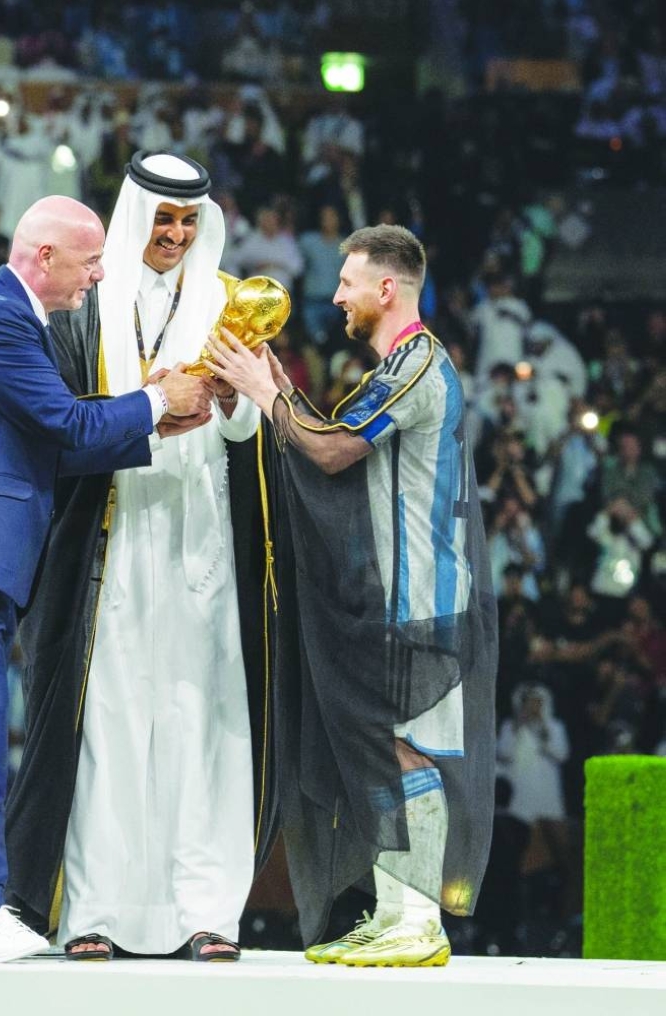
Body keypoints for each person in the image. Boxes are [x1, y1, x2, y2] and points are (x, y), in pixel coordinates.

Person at [0, 194, 211, 964]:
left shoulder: (13, 322)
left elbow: (53, 448)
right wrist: (158, 397)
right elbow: (65, 426)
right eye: (90, 261)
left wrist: (153, 419)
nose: (99, 274)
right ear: (45, 258)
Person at [5, 152, 278, 962]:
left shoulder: (228, 302)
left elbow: (251, 427)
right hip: (114, 541)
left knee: (203, 726)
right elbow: (57, 420)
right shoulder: (90, 304)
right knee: (111, 726)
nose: (177, 235)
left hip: (199, 541)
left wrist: (227, 403)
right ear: (135, 217)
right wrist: (151, 403)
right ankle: (99, 911)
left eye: (189, 222)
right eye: (163, 219)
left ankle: (206, 913)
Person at [208, 224, 497, 967]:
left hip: (421, 597)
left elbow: (333, 450)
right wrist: (275, 391)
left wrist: (267, 393)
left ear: (387, 288)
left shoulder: (419, 365)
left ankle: (419, 919)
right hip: (400, 594)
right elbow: (332, 436)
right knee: (380, 747)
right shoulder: (402, 365)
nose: (335, 295)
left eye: (347, 281)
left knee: (404, 747)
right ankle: (396, 907)